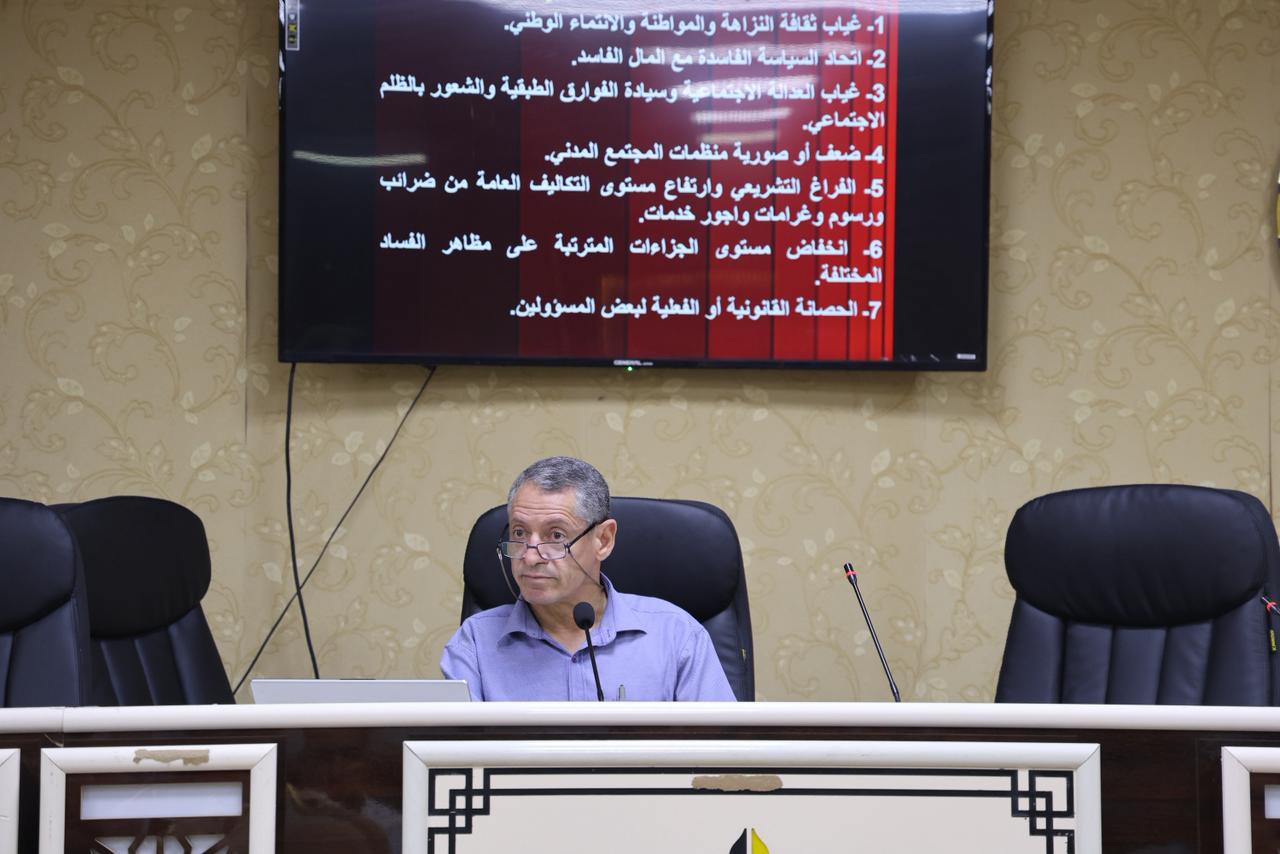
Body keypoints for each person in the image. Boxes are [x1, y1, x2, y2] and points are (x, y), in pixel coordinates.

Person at [441, 456, 736, 701]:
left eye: (556, 535)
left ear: (603, 540)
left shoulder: (677, 636)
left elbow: (721, 751)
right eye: (519, 533)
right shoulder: (474, 645)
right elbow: (453, 753)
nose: (530, 557)